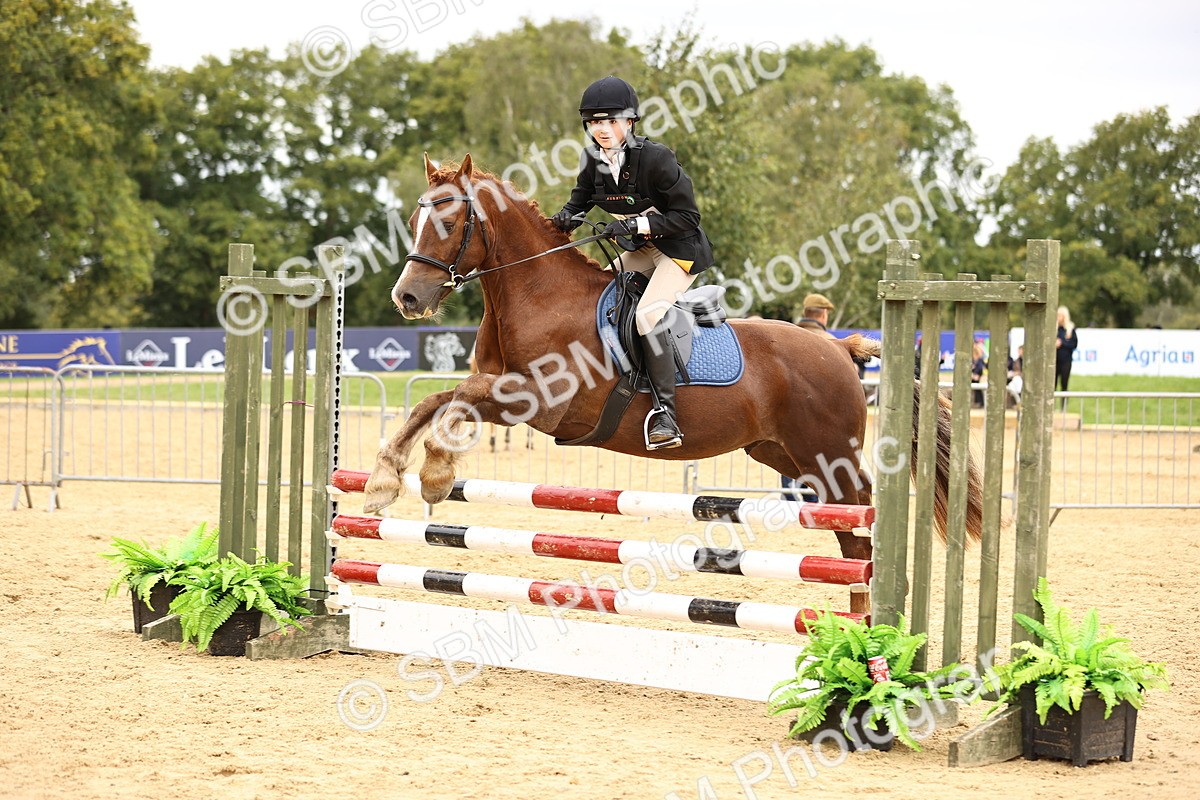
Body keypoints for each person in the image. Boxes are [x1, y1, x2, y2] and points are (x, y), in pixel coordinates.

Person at [550, 76, 715, 450]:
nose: (602, 129)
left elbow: (688, 217)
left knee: (645, 316)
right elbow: (579, 201)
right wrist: (562, 218)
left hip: (678, 251)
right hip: (641, 249)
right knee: (597, 298)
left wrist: (634, 223)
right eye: (594, 122)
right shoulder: (593, 158)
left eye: (610, 121)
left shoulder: (657, 159)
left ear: (630, 122)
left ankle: (666, 414)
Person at [1055, 306, 1078, 409]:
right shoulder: (1054, 329)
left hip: (1066, 361)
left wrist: (1062, 343)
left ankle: (1063, 408)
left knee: (1064, 384)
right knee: (1052, 385)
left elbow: (1073, 344)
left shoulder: (1070, 329)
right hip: (1054, 361)